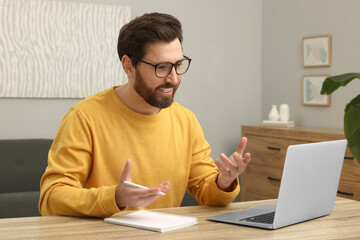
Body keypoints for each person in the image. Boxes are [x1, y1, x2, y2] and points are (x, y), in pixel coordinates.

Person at [39, 12, 251, 217]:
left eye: (178, 65)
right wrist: (115, 197)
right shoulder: (84, 117)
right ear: (129, 66)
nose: (174, 79)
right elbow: (51, 197)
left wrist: (223, 182)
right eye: (161, 67)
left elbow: (208, 193)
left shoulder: (186, 121)